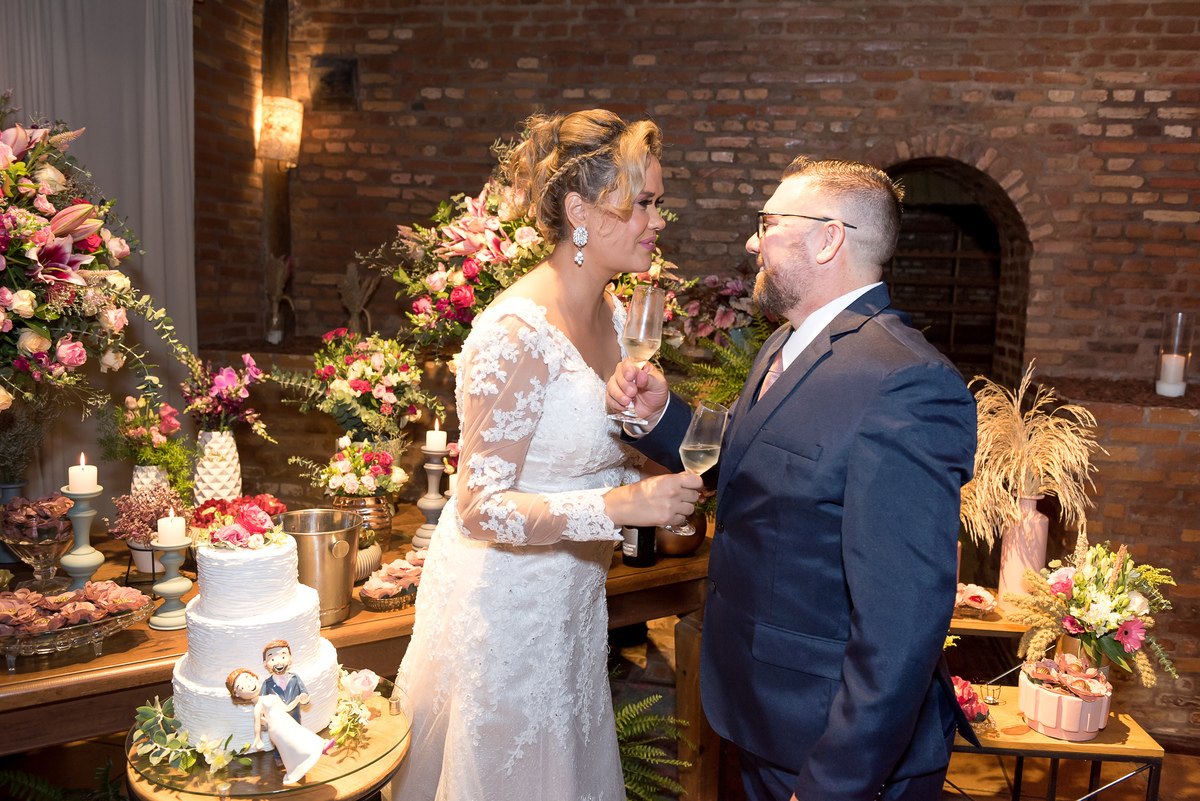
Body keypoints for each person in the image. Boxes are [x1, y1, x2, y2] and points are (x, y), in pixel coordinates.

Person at [608, 156, 979, 800]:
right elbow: (754, 465)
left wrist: (835, 782)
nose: (753, 242)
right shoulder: (786, 344)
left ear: (828, 238)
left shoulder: (906, 382)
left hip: (834, 748)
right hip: (767, 715)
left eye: (768, 223)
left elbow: (903, 619)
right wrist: (660, 417)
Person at [387, 109, 703, 800]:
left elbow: (594, 457)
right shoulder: (515, 330)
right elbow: (478, 508)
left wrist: (649, 453)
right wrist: (624, 505)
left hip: (572, 606)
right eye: (642, 203)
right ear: (580, 211)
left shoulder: (616, 318)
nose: (657, 221)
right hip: (505, 614)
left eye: (656, 203)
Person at [227, 668, 334, 786]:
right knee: (289, 747)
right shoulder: (258, 706)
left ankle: (320, 746)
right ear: (237, 694)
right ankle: (297, 767)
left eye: (248, 678)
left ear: (255, 677)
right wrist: (258, 738)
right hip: (277, 729)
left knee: (301, 734)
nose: (248, 684)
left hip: (286, 721)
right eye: (242, 687)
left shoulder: (271, 697)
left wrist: (297, 700)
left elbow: (286, 708)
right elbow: (257, 723)